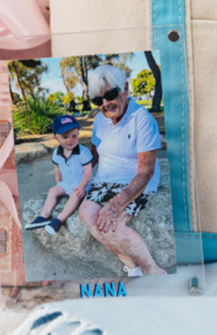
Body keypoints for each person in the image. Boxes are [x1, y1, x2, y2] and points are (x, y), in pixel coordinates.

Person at [78, 65, 166, 277]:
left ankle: (153, 271)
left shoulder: (143, 119)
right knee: (87, 214)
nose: (105, 104)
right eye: (98, 100)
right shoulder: (100, 120)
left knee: (113, 222)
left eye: (110, 95)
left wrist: (114, 205)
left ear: (125, 88)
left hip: (134, 180)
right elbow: (95, 152)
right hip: (105, 179)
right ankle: (132, 267)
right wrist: (81, 179)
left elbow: (145, 172)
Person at [25, 115, 97, 235]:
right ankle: (44, 216)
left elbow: (88, 171)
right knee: (52, 191)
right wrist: (58, 182)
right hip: (66, 183)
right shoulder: (57, 153)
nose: (70, 140)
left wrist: (83, 186)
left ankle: (60, 219)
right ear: (56, 138)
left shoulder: (83, 152)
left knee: (75, 195)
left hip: (81, 184)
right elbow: (57, 167)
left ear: (78, 134)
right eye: (65, 137)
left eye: (74, 136)